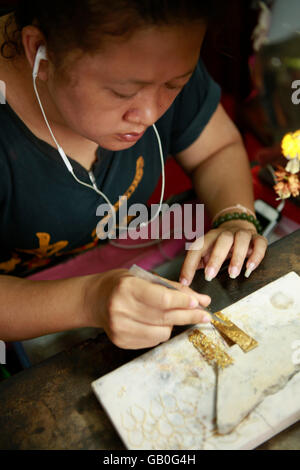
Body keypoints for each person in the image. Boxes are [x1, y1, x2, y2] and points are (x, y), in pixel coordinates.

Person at [0, 1, 267, 350]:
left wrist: (235, 217)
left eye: (174, 85)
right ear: (41, 52)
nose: (150, 114)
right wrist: (89, 300)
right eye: (122, 93)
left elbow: (216, 149)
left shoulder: (158, 54)